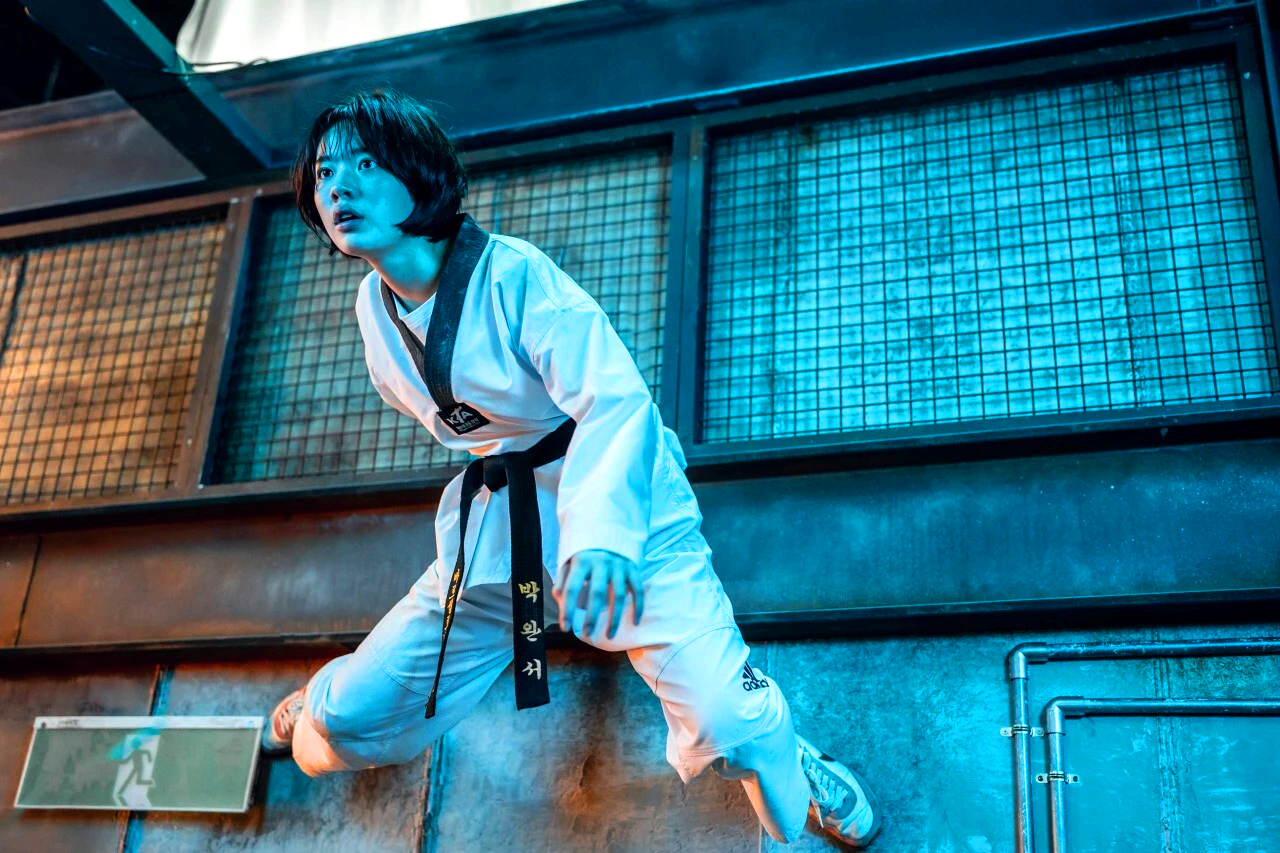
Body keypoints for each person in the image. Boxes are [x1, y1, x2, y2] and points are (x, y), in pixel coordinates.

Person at [259, 88, 882, 849]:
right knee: (345, 716)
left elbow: (614, 400)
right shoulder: (372, 306)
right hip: (505, 523)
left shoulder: (514, 275)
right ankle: (314, 697)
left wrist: (603, 536)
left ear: (418, 171)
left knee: (730, 719)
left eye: (364, 163)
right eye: (325, 173)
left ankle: (793, 757)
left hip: (624, 506)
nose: (338, 188)